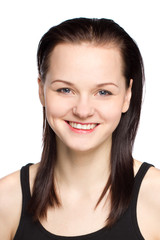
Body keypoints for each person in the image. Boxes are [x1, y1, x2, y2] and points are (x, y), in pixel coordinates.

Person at [0, 17, 160, 240]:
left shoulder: (157, 199)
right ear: (41, 90)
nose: (83, 110)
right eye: (65, 90)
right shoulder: (6, 200)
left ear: (127, 96)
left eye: (103, 92)